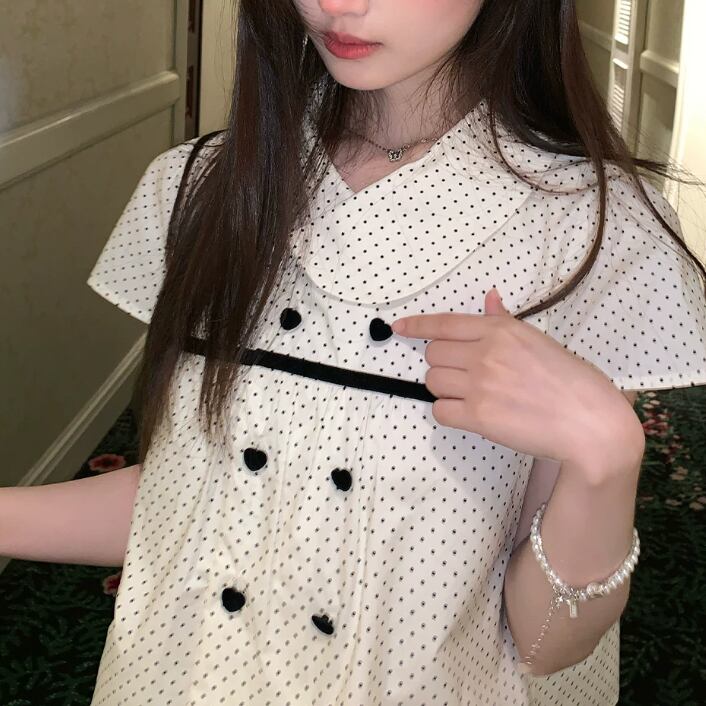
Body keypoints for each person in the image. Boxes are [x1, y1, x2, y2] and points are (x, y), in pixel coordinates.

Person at [3, 1, 706, 704]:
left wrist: (607, 454)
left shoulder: (597, 228)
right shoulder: (198, 184)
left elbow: (546, 645)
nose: (336, 4)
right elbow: (190, 499)